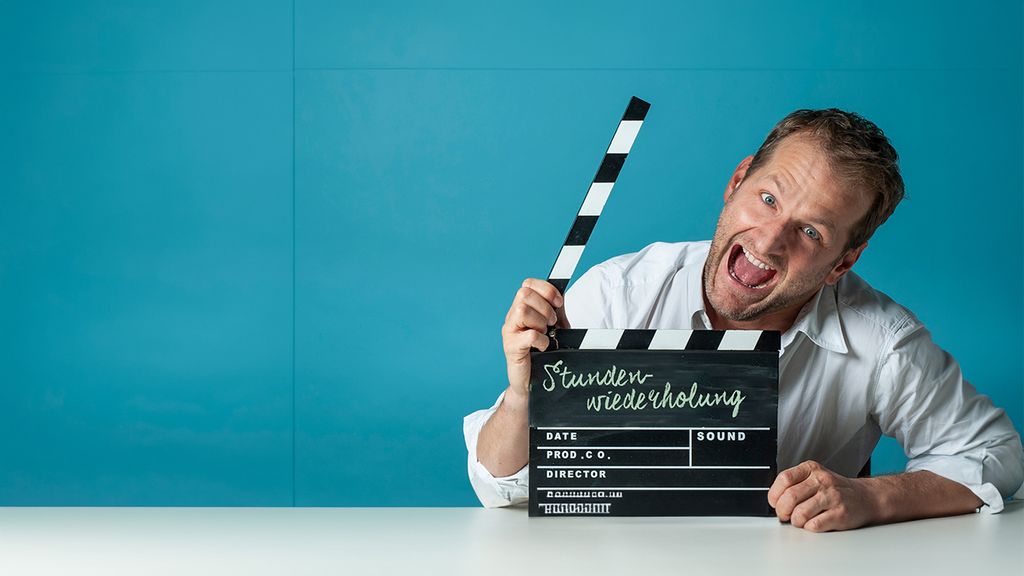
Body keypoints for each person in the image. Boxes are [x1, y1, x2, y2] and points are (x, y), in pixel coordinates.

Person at [463, 108, 1024, 532]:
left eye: (812, 232)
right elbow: (498, 487)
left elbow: (994, 455)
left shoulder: (881, 339)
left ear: (843, 261)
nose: (771, 241)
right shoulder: (619, 293)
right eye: (769, 199)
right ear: (736, 183)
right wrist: (523, 398)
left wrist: (872, 498)